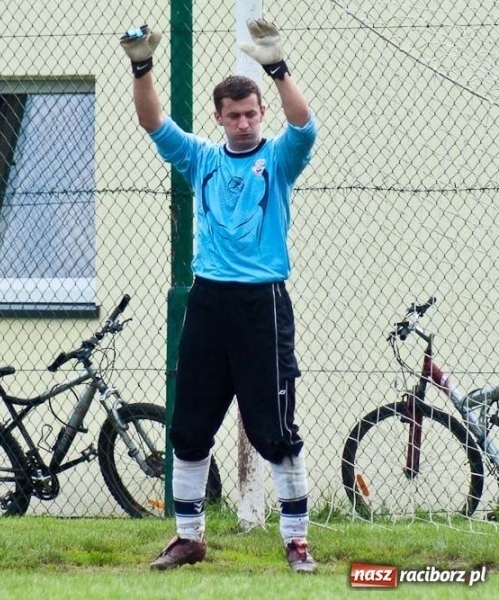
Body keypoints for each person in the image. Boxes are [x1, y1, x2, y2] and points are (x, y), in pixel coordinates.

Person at [119, 20, 318, 573]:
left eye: (251, 113)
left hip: (262, 305)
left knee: (275, 430)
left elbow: (304, 126)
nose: (245, 122)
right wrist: (142, 66)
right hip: (208, 304)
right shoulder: (203, 158)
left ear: (260, 113)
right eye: (234, 115)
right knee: (187, 429)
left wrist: (278, 70)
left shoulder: (277, 158)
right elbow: (153, 122)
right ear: (219, 118)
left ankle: (297, 540)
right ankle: (189, 537)